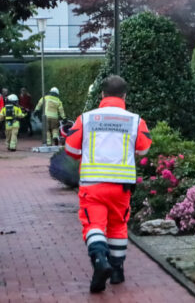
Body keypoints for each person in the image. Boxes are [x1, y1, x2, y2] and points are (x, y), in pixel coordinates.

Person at [64, 75, 151, 293]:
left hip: (92, 185)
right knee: (118, 226)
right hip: (121, 186)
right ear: (125, 95)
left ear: (101, 94)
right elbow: (143, 150)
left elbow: (71, 150)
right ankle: (117, 271)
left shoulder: (85, 119)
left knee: (94, 225)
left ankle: (100, 260)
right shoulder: (135, 120)